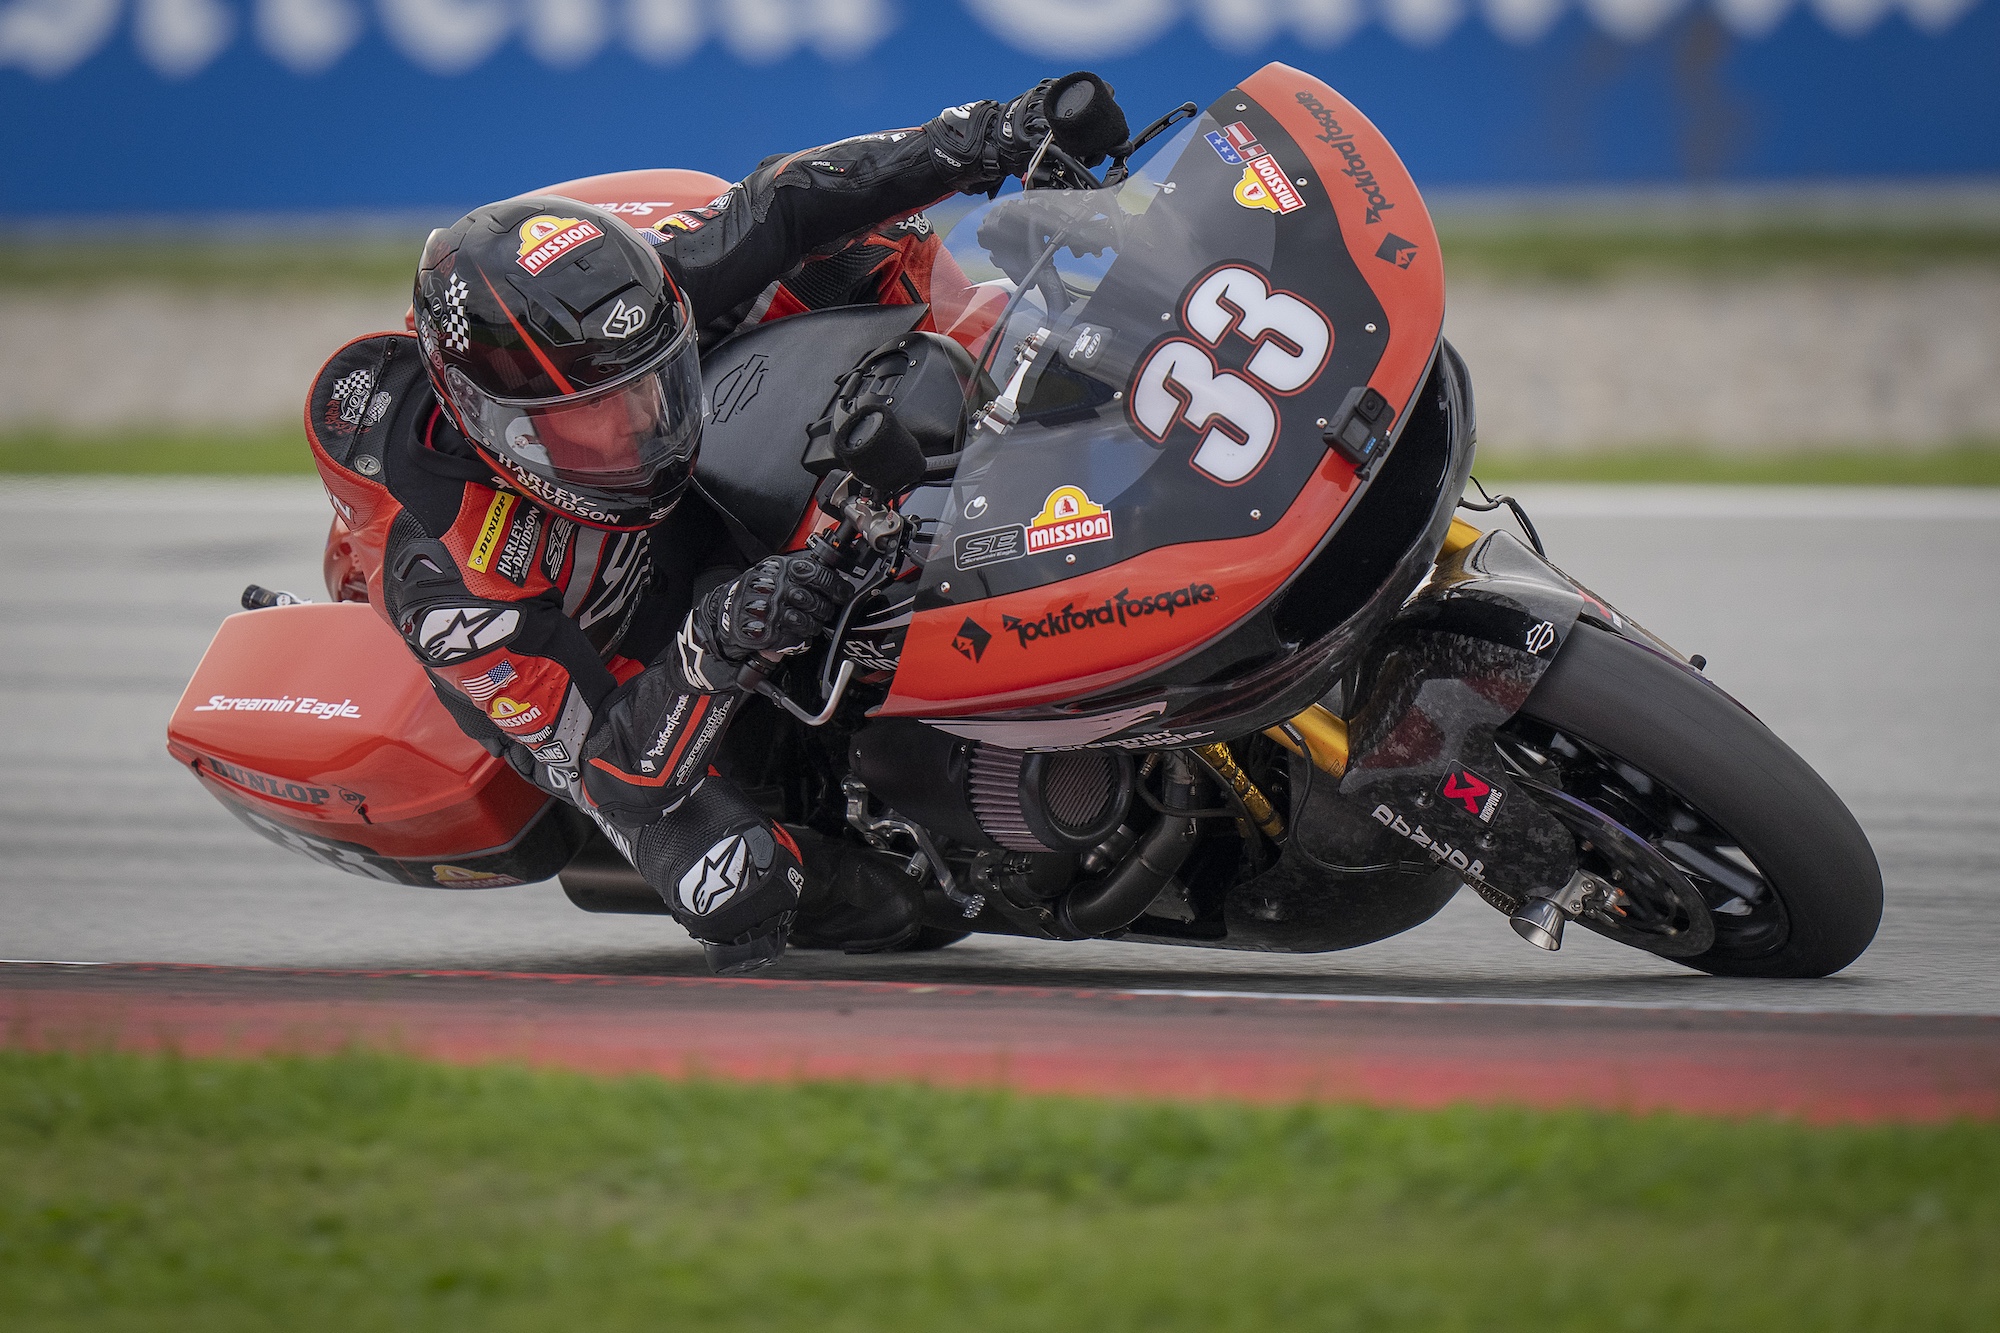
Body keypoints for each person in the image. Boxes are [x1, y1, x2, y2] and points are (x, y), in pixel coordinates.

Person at [304, 75, 1129, 974]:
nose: (638, 435)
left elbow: (783, 203)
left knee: (865, 254)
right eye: (593, 424)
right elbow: (614, 765)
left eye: (650, 389)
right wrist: (714, 643)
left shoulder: (634, 319)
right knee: (750, 884)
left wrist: (987, 137)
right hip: (623, 681)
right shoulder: (452, 579)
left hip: (706, 521)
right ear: (497, 427)